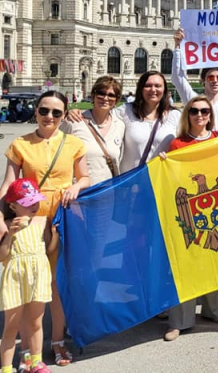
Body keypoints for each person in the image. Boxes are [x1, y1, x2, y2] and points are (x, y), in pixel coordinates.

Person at [0, 91, 89, 366]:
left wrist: (75, 186)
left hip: (62, 219)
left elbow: (85, 176)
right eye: (44, 111)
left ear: (64, 116)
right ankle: (28, 350)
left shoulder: (73, 143)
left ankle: (58, 342)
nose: (49, 117)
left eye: (56, 113)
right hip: (30, 223)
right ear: (36, 111)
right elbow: (8, 186)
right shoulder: (20, 144)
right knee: (30, 287)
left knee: (56, 285)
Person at [162, 96, 218, 341]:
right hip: (188, 211)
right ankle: (179, 320)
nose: (200, 115)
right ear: (187, 115)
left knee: (215, 259)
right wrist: (164, 164)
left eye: (204, 111)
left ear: (210, 115)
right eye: (194, 111)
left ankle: (214, 310)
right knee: (186, 264)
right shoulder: (178, 144)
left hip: (216, 208)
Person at [0, 179, 55, 373]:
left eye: (35, 201)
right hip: (15, 278)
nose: (34, 206)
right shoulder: (7, 225)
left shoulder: (41, 221)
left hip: (38, 275)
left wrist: (55, 236)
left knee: (36, 322)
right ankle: (6, 367)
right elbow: (2, 256)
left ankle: (36, 363)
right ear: (13, 206)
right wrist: (10, 234)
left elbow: (48, 249)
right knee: (11, 326)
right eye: (27, 203)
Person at [60, 76, 125, 186]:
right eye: (101, 93)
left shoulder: (120, 125)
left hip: (109, 193)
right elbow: (55, 151)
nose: (105, 98)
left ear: (116, 100)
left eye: (111, 95)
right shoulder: (74, 122)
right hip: (79, 194)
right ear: (93, 96)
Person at [119, 71, 181, 173]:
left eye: (158, 86)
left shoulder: (175, 115)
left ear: (164, 89)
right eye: (148, 86)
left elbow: (187, 142)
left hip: (161, 180)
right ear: (140, 89)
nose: (153, 90)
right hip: (132, 181)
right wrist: (84, 114)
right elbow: (102, 117)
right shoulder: (126, 111)